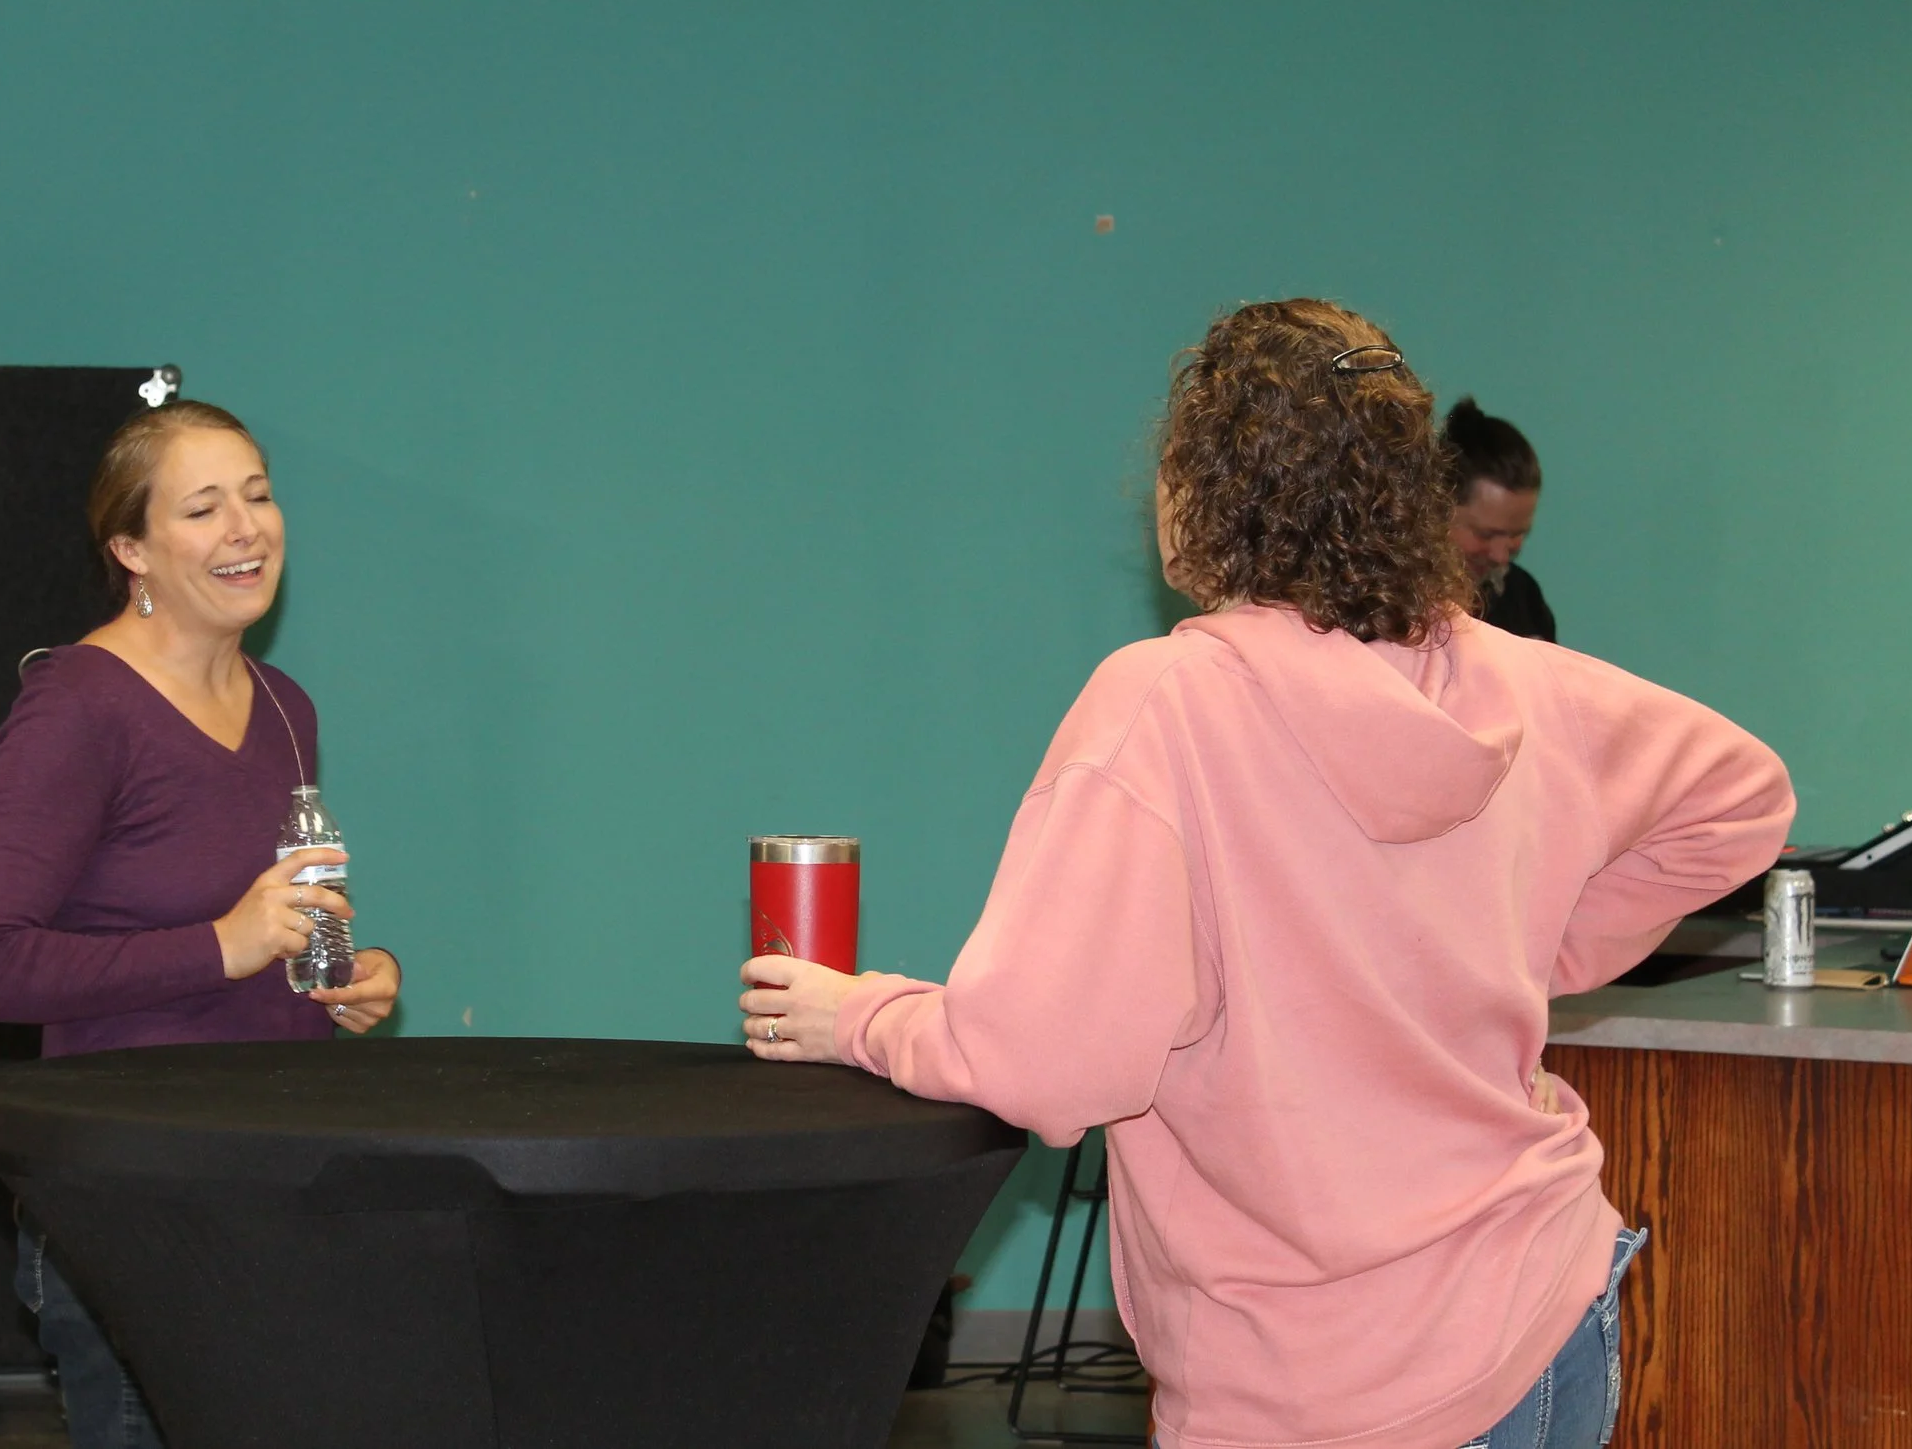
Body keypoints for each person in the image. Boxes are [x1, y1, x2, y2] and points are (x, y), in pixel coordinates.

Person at [740, 300, 1791, 1449]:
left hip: (1323, 1384)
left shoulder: (1162, 704)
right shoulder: (1520, 683)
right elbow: (1741, 797)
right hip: (1543, 1309)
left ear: (1197, 488)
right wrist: (1535, 941)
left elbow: (1047, 1061)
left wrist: (862, 1014)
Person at [0, 399, 402, 1449]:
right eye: (202, 507)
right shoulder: (77, 709)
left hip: (278, 1183)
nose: (246, 528)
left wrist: (342, 969)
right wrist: (223, 944)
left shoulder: (285, 704)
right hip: (134, 1205)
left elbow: (255, 925)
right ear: (131, 549)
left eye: (259, 494)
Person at [1443, 397, 1555, 640]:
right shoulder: (1393, 606)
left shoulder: (1524, 597)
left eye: (1517, 534)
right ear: (1436, 509)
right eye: (1485, 534)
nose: (1501, 556)